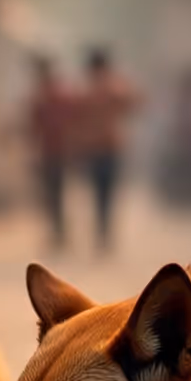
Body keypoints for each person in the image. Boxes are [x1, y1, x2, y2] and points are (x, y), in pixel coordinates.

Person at [76, 46, 139, 254]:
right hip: (107, 148)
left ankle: (102, 234)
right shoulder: (114, 86)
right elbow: (135, 104)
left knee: (100, 194)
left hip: (99, 149)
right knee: (106, 194)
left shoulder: (90, 90)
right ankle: (104, 234)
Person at [27, 54, 75, 251]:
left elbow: (35, 125)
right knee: (56, 193)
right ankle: (59, 232)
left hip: (53, 151)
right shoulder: (60, 92)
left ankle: (59, 233)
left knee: (53, 193)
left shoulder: (44, 95)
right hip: (57, 151)